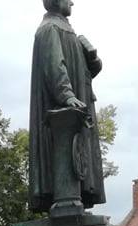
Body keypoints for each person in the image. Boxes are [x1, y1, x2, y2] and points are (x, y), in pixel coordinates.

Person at [29, 0, 106, 213]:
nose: (72, 2)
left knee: (78, 156)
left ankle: (76, 197)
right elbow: (54, 66)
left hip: (78, 106)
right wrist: (67, 96)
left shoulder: (67, 31)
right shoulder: (49, 29)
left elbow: (82, 72)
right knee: (67, 156)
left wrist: (93, 60)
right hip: (63, 117)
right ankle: (64, 201)